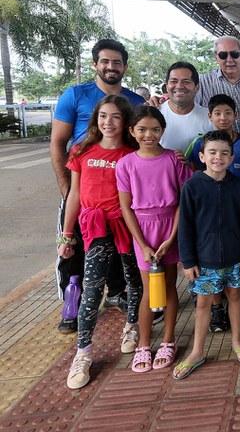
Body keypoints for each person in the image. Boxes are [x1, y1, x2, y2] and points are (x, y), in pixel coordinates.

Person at [50, 39, 144, 334]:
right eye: (105, 61)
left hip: (119, 197)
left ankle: (117, 294)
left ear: (125, 67)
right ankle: (72, 305)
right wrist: (67, 189)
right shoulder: (75, 95)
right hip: (82, 190)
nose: (110, 67)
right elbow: (58, 142)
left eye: (116, 62)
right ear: (95, 64)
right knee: (73, 253)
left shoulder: (134, 102)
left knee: (119, 252)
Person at [58, 95, 142, 389]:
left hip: (128, 225)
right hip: (94, 228)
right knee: (92, 289)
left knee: (134, 279)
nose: (108, 122)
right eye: (103, 116)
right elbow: (74, 195)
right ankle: (83, 352)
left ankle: (132, 325)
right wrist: (67, 235)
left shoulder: (133, 153)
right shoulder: (81, 150)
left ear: (125, 121)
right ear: (96, 119)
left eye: (116, 116)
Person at [116, 106, 193, 372]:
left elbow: (184, 200)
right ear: (131, 131)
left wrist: (172, 238)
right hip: (143, 229)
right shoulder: (126, 164)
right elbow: (126, 207)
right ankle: (144, 344)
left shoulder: (174, 159)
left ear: (163, 130)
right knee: (149, 290)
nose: (149, 135)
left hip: (170, 226)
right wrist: (142, 244)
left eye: (155, 129)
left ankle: (168, 341)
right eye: (142, 129)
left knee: (170, 286)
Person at [174, 130, 240, 380]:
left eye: (224, 153)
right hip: (204, 260)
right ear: (202, 156)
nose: (218, 157)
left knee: (235, 295)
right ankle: (197, 351)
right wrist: (188, 261)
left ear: (231, 158)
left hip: (235, 258)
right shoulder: (192, 186)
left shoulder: (239, 187)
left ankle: (237, 341)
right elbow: (185, 227)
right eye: (212, 152)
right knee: (203, 303)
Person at [186, 94, 240, 332]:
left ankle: (235, 328)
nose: (223, 117)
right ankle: (216, 312)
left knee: (234, 288)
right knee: (210, 288)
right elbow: (186, 223)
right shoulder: (195, 180)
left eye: (228, 112)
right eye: (217, 113)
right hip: (206, 242)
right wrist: (188, 260)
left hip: (234, 225)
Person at [197, 35, 240, 134]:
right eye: (223, 55)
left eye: (235, 54)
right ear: (216, 57)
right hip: (215, 143)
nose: (229, 59)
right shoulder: (203, 82)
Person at [159, 62, 212, 152]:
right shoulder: (154, 114)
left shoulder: (210, 118)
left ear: (197, 87)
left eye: (186, 82)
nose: (179, 86)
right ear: (167, 86)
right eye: (174, 81)